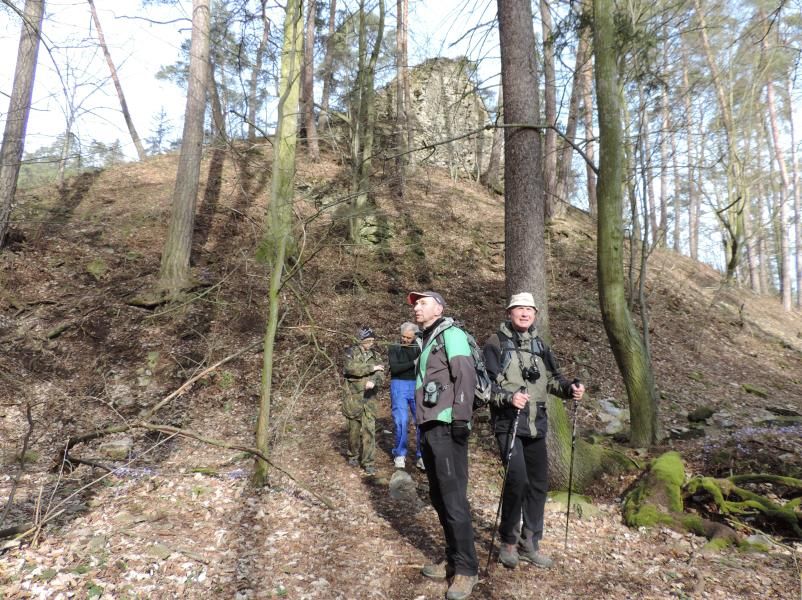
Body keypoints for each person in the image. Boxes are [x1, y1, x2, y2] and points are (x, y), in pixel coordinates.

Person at [482, 292, 585, 569]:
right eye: (519, 309)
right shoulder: (496, 344)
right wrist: (508, 398)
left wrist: (570, 390)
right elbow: (484, 387)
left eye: (529, 309)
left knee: (538, 485)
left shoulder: (541, 345)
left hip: (536, 425)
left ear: (535, 314)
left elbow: (554, 380)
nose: (525, 313)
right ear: (509, 313)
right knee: (517, 481)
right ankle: (509, 542)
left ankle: (531, 543)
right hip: (509, 424)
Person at [408, 290, 478, 600]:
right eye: (415, 304)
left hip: (449, 426)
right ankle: (452, 558)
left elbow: (464, 373)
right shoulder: (427, 340)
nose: (416, 308)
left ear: (439, 307)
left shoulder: (452, 333)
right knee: (438, 496)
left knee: (453, 499)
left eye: (422, 303)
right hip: (430, 427)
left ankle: (466, 570)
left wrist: (461, 419)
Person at [342, 326, 385, 475]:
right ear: (360, 341)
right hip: (353, 399)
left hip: (369, 400)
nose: (370, 344)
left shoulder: (376, 355)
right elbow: (350, 368)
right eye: (367, 341)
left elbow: (381, 373)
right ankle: (352, 454)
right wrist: (371, 368)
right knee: (353, 431)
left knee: (369, 431)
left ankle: (368, 462)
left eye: (372, 341)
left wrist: (374, 380)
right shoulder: (350, 353)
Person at [388, 322, 424, 470]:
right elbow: (395, 368)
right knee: (401, 420)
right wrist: (414, 363)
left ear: (414, 336)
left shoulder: (420, 346)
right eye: (403, 336)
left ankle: (422, 455)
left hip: (416, 385)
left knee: (421, 420)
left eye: (408, 338)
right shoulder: (394, 347)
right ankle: (400, 454)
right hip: (399, 385)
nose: (405, 340)